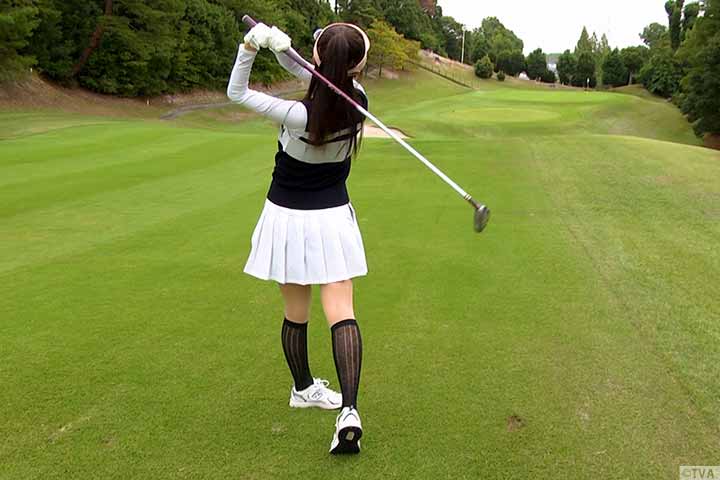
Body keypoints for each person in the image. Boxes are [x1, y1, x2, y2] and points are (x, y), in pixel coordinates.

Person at [227, 21, 371, 455]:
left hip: (286, 216)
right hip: (331, 217)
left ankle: (303, 388)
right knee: (341, 309)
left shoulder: (296, 114)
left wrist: (250, 47)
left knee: (296, 310)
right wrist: (280, 48)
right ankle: (349, 410)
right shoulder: (360, 101)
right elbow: (318, 74)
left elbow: (237, 93)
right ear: (358, 66)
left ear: (318, 58)